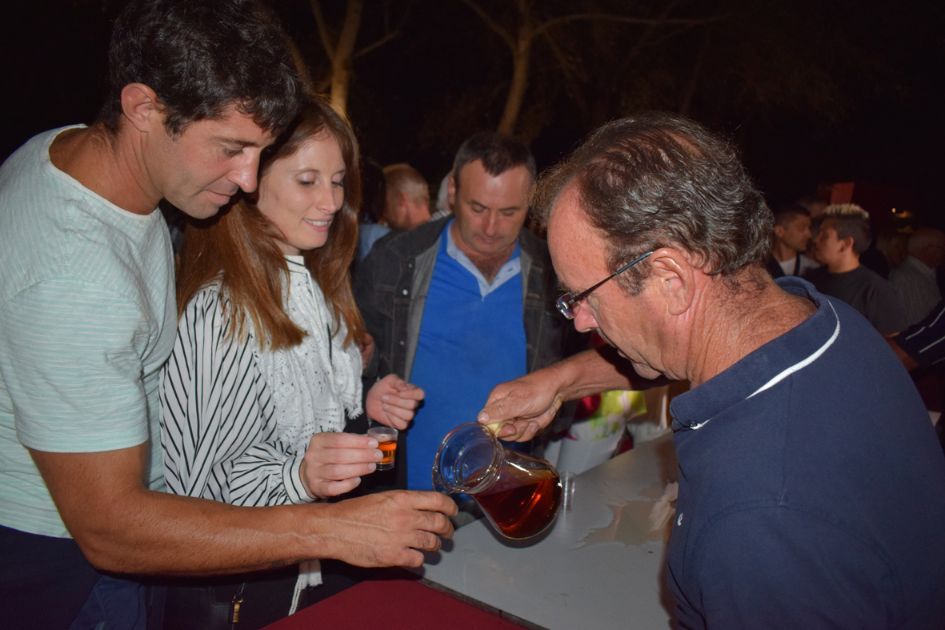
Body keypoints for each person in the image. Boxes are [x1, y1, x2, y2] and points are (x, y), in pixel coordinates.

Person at [0, 1, 454, 628]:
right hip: (72, 574)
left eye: (259, 153)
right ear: (143, 108)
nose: (246, 180)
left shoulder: (67, 154)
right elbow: (111, 529)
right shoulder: (77, 279)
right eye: (231, 148)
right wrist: (332, 529)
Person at [477, 113, 945, 628]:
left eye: (582, 296)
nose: (580, 319)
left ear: (672, 280)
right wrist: (559, 382)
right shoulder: (809, 317)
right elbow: (675, 347)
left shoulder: (762, 519)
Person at [160, 98, 428, 627]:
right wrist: (298, 473)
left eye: (337, 181)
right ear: (252, 183)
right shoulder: (223, 311)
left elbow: (311, 414)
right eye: (307, 180)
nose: (330, 200)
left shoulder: (316, 285)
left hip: (318, 569)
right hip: (253, 591)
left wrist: (367, 402)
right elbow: (192, 491)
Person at [354, 132, 574, 491]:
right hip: (409, 493)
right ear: (453, 191)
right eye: (478, 208)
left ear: (530, 202)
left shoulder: (557, 274)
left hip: (507, 491)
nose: (491, 228)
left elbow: (570, 376)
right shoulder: (394, 260)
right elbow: (350, 365)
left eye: (508, 212)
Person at [805, 203, 908, 335]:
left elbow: (891, 342)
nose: (816, 240)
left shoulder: (876, 290)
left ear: (846, 243)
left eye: (824, 235)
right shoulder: (811, 279)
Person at [890, 226, 945, 327]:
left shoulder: (927, 274)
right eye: (942, 247)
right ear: (928, 249)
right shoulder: (906, 278)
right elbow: (917, 326)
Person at [771, 203, 818, 276]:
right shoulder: (759, 267)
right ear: (779, 231)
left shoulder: (812, 269)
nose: (809, 235)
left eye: (809, 228)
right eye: (801, 228)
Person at [382, 163, 432, 231]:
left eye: (384, 206)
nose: (383, 215)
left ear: (401, 200)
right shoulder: (442, 235)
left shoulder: (392, 239)